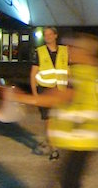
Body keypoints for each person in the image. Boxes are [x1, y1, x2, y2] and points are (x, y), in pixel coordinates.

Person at [3, 32, 98, 188]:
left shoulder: (81, 73)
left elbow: (58, 96)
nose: (68, 50)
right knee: (66, 184)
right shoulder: (96, 72)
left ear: (84, 52)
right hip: (86, 138)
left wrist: (23, 98)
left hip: (82, 138)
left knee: (69, 187)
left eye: (73, 47)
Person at [29, 26, 69, 160]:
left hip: (60, 90)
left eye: (50, 34)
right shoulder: (39, 52)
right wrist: (34, 93)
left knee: (57, 120)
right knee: (48, 120)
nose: (48, 37)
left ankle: (50, 141)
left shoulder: (65, 51)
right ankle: (53, 149)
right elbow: (33, 73)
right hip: (45, 90)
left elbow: (69, 70)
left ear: (55, 35)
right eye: (45, 35)